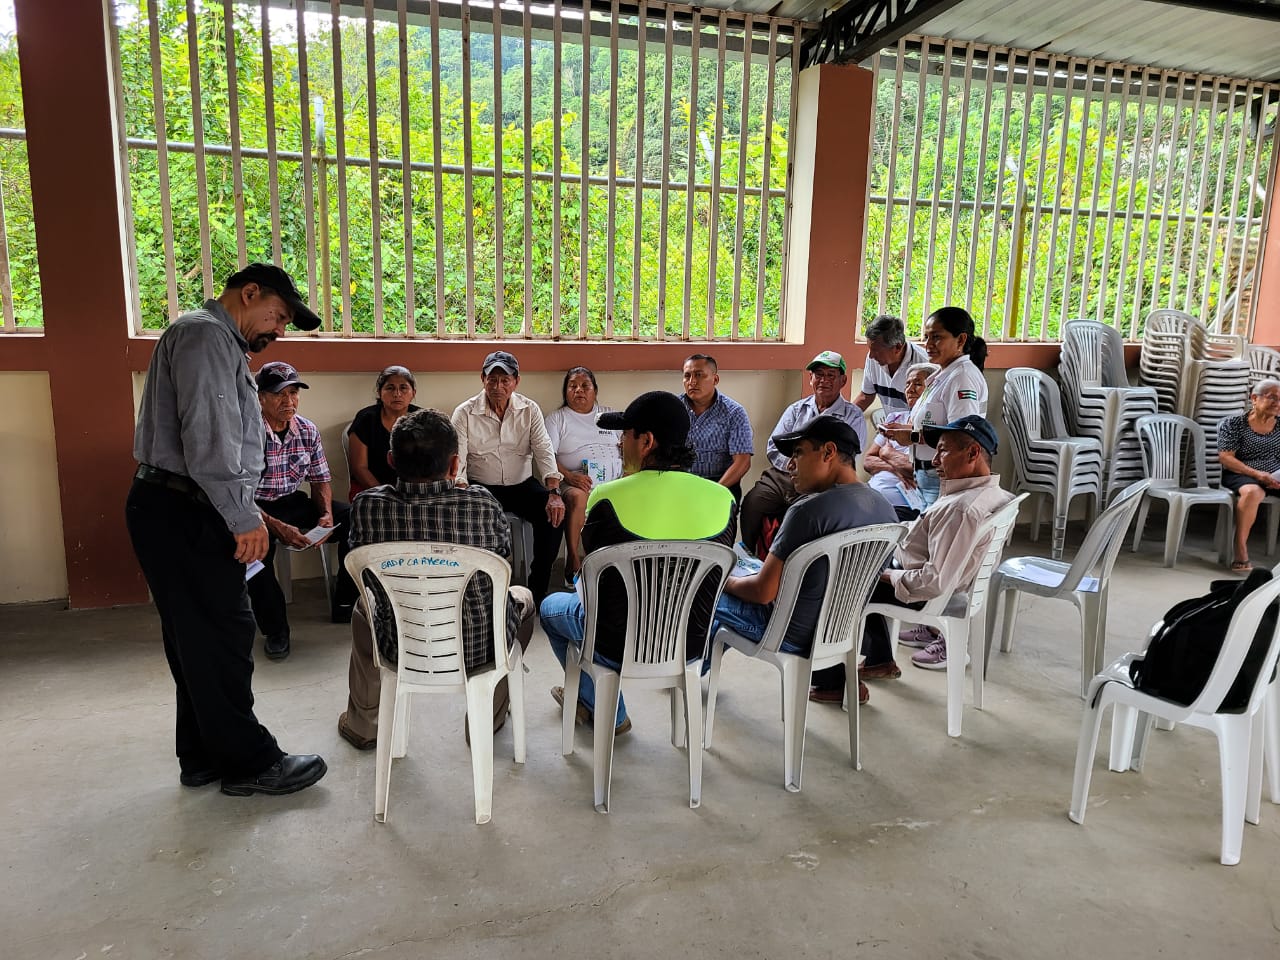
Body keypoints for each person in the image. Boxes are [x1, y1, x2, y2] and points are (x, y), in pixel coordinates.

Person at [126, 262, 327, 797]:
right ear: (250, 293)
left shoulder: (211, 340)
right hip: (188, 508)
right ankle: (250, 763)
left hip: (177, 503)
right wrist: (244, 517)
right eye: (278, 316)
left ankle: (201, 755)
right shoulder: (206, 337)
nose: (279, 330)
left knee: (194, 638)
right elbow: (212, 440)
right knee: (224, 635)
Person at [338, 409, 536, 750]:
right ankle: (486, 718)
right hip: (479, 649)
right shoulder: (482, 506)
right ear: (455, 463)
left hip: (399, 647)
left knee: (363, 606)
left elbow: (364, 571)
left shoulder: (367, 507)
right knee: (524, 600)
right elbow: (501, 560)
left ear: (391, 460)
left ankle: (365, 724)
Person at [539, 391, 737, 734]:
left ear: (646, 442)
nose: (619, 444)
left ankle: (607, 710)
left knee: (550, 609)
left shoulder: (607, 496)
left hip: (615, 644)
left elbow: (593, 573)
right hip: (689, 643)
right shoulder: (723, 499)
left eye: (625, 435)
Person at [810, 415, 1015, 699]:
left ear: (972, 453)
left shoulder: (962, 509)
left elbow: (934, 581)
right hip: (928, 570)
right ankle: (879, 660)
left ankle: (833, 682)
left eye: (943, 451)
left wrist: (884, 574)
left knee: (837, 575)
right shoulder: (994, 494)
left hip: (927, 592)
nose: (935, 461)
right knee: (857, 555)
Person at [711, 416, 897, 706]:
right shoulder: (885, 510)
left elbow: (762, 593)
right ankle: (835, 680)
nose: (789, 465)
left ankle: (685, 670)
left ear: (828, 452)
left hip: (787, 632)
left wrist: (722, 582)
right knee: (744, 562)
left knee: (702, 584)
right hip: (840, 630)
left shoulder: (807, 511)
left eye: (798, 453)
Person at [247, 361, 358, 661]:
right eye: (279, 394)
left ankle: (345, 602)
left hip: (292, 501)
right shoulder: (246, 432)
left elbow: (320, 479)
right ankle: (275, 630)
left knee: (354, 518)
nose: (289, 401)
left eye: (293, 393)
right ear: (261, 397)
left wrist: (326, 515)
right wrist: (275, 526)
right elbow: (237, 494)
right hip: (254, 507)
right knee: (254, 555)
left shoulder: (307, 429)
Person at [452, 350, 565, 603]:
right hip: (482, 487)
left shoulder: (529, 409)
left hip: (522, 485)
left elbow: (543, 449)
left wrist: (554, 492)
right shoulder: (465, 412)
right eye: (492, 380)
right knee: (472, 520)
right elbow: (458, 458)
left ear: (516, 382)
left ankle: (536, 592)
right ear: (483, 379)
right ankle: (485, 592)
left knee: (554, 516)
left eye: (505, 380)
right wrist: (462, 489)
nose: (498, 386)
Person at [739, 350, 867, 555]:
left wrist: (812, 472)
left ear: (843, 380)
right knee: (753, 503)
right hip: (783, 476)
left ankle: (790, 562)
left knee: (803, 514)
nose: (823, 380)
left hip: (824, 483)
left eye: (830, 375)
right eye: (819, 374)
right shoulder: (797, 409)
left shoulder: (853, 416)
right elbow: (773, 447)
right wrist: (796, 468)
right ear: (811, 378)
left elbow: (850, 458)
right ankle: (751, 556)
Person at [878, 306, 989, 510]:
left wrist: (912, 437)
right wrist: (905, 430)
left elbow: (960, 436)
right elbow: (938, 423)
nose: (928, 345)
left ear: (961, 340)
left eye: (937, 337)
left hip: (942, 475)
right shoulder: (941, 375)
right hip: (926, 473)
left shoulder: (962, 378)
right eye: (926, 337)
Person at [543, 366, 623, 584]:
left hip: (614, 481)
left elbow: (629, 447)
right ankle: (574, 558)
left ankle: (615, 564)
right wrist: (569, 476)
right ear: (565, 391)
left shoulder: (609, 415)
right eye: (573, 386)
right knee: (578, 497)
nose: (579, 390)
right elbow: (547, 456)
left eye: (585, 385)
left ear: (595, 390)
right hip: (575, 481)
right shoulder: (558, 419)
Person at [1218, 378, 1280, 573]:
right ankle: (1240, 550)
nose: (1277, 403)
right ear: (1254, 398)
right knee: (1253, 492)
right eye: (1272, 398)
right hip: (1242, 473)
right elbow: (1226, 458)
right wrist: (1257, 474)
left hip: (1274, 475)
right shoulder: (1234, 423)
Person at [864, 362, 939, 521]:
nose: (910, 389)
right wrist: (896, 469)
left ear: (932, 390)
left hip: (904, 507)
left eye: (917, 384)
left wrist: (887, 453)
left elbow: (921, 472)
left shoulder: (936, 427)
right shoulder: (895, 419)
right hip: (871, 495)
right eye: (907, 384)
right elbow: (868, 461)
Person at [680, 353, 754, 500]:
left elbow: (742, 462)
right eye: (687, 376)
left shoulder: (734, 412)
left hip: (722, 484)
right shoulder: (674, 409)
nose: (692, 382)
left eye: (699, 375)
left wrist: (714, 492)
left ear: (715, 379)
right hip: (681, 483)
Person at [346, 366, 420, 498]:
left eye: (403, 388)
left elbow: (431, 464)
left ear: (413, 393)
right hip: (371, 488)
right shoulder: (366, 419)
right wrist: (386, 496)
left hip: (413, 489)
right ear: (380, 392)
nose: (397, 394)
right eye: (390, 388)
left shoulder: (422, 419)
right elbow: (359, 468)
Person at [853, 314, 930, 413]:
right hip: (891, 422)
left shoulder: (925, 365)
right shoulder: (873, 359)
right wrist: (843, 419)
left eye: (877, 351)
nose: (871, 356)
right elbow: (866, 396)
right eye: (870, 350)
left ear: (897, 347)